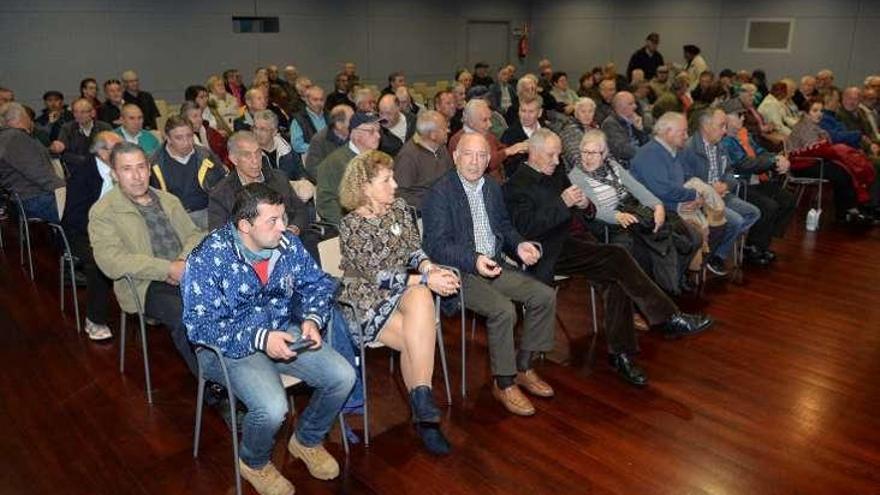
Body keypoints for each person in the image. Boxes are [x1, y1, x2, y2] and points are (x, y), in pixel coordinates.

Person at [183, 183, 355, 495]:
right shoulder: (208, 257)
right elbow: (199, 325)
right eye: (272, 221)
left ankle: (307, 440)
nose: (283, 227)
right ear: (245, 226)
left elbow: (317, 285)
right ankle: (254, 462)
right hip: (227, 347)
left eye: (282, 217)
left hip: (280, 330)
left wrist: (313, 319)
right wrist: (261, 339)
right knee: (274, 407)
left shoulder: (286, 244)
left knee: (343, 376)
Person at [505, 129, 712, 384]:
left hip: (573, 242)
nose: (558, 161)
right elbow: (526, 229)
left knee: (617, 279)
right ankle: (668, 317)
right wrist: (563, 203)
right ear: (533, 153)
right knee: (616, 256)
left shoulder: (555, 172)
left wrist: (584, 205)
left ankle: (622, 354)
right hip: (545, 251)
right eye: (551, 155)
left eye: (559, 154)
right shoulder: (516, 185)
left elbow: (586, 210)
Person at [422, 133, 556, 417]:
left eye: (482, 156)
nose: (475, 161)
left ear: (489, 160)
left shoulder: (493, 187)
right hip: (460, 271)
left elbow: (504, 227)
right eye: (468, 155)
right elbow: (436, 245)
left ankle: (523, 366)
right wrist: (474, 259)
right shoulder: (440, 191)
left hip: (493, 265)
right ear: (456, 157)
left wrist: (519, 244)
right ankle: (504, 383)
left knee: (543, 295)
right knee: (504, 311)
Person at [337, 150, 456, 454]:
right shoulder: (351, 224)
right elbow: (377, 276)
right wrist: (426, 279)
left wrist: (428, 267)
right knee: (417, 335)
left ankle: (421, 402)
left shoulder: (400, 208)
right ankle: (426, 420)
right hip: (364, 299)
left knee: (420, 295)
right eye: (387, 179)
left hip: (403, 290)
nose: (395, 184)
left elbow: (414, 250)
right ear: (365, 187)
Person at [89, 142, 204, 377]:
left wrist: (182, 262)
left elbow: (194, 234)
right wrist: (168, 269)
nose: (137, 176)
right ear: (114, 174)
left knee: (234, 299)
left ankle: (240, 370)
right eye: (127, 169)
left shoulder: (167, 200)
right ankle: (215, 386)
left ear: (149, 169)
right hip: (145, 284)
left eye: (141, 167)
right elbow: (111, 261)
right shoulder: (103, 212)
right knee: (187, 317)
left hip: (185, 270)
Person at [569, 129, 701, 294]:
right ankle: (657, 293)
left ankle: (672, 280)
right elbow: (593, 209)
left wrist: (657, 205)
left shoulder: (612, 165)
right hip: (607, 224)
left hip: (632, 210)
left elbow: (636, 187)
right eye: (584, 152)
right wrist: (617, 216)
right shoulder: (576, 176)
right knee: (649, 249)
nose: (588, 158)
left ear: (604, 154)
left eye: (593, 153)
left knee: (692, 236)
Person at [209, 130, 316, 259]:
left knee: (312, 243)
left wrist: (294, 228)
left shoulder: (278, 177)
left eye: (258, 153)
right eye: (247, 155)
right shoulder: (221, 193)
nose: (255, 161)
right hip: (253, 254)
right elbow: (220, 236)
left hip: (290, 241)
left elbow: (300, 210)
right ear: (233, 159)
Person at [679, 108, 761, 274]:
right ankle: (716, 256)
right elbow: (685, 180)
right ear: (706, 126)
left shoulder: (720, 146)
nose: (725, 131)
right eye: (721, 126)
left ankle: (718, 251)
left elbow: (730, 171)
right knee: (736, 221)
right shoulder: (689, 149)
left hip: (723, 194)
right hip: (702, 200)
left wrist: (726, 185)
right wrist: (709, 189)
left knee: (753, 213)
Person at [63, 131, 123, 340]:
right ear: (101, 152)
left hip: (118, 229)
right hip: (83, 232)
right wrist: (104, 231)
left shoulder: (124, 170)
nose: (122, 152)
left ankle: (147, 304)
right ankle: (95, 319)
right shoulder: (83, 174)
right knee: (99, 262)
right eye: (117, 148)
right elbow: (74, 217)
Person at [719, 100, 796, 263]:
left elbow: (760, 152)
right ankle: (754, 246)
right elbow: (743, 164)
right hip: (738, 185)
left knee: (787, 199)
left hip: (753, 181)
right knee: (769, 206)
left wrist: (777, 159)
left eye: (743, 115)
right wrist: (773, 161)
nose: (743, 119)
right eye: (738, 115)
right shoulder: (724, 140)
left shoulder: (743, 135)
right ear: (725, 118)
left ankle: (762, 240)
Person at [787, 100, 877, 224]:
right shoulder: (803, 127)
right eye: (815, 110)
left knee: (845, 170)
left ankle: (852, 209)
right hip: (802, 165)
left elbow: (823, 149)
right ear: (806, 113)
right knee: (841, 173)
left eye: (821, 111)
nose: (820, 114)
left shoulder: (815, 126)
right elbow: (814, 151)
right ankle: (846, 212)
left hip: (814, 162)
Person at [149, 115, 227, 229]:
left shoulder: (205, 156)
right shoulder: (154, 163)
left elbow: (223, 185)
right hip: (174, 216)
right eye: (179, 138)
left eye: (189, 136)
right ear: (168, 138)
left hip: (206, 211)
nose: (186, 142)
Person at [0, 102, 66, 222]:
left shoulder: (7, 138)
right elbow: (37, 173)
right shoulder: (16, 137)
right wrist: (63, 188)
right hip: (36, 198)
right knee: (84, 207)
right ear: (21, 117)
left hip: (25, 199)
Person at [316, 111, 381, 225]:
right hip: (354, 225)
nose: (378, 136)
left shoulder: (379, 158)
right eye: (371, 131)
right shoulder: (333, 163)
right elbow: (326, 204)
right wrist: (353, 223)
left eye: (378, 130)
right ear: (355, 134)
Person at [394, 111, 453, 209]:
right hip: (424, 212)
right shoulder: (408, 156)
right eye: (444, 129)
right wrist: (430, 204)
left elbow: (451, 175)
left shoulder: (441, 147)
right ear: (433, 135)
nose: (448, 130)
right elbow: (400, 194)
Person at [54, 98, 114, 168]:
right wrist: (84, 160)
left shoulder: (104, 127)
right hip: (76, 168)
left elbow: (113, 149)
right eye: (75, 112)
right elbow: (64, 153)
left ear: (93, 113)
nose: (78, 115)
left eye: (83, 112)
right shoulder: (67, 129)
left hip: (102, 166)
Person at [252, 109, 306, 181]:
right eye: (255, 128)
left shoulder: (286, 148)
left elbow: (300, 171)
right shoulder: (250, 153)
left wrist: (303, 181)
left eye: (262, 129)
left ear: (274, 132)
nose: (257, 133)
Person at [305, 105, 353, 182]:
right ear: (339, 124)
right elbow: (313, 169)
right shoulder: (319, 140)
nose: (355, 123)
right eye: (351, 121)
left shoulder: (356, 135)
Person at [601, 91, 650, 166]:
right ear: (620, 107)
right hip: (626, 164)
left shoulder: (634, 118)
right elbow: (623, 150)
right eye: (631, 104)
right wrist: (645, 154)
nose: (635, 106)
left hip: (639, 158)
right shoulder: (610, 124)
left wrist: (640, 129)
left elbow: (647, 143)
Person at [555, 97, 598, 173]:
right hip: (577, 174)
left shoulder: (594, 129)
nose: (587, 115)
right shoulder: (569, 130)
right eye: (583, 111)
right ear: (576, 113)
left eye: (590, 111)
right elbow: (577, 160)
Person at [290, 85, 327, 157]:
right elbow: (297, 145)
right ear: (307, 101)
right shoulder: (299, 120)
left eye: (321, 100)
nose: (319, 103)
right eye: (315, 100)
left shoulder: (330, 116)